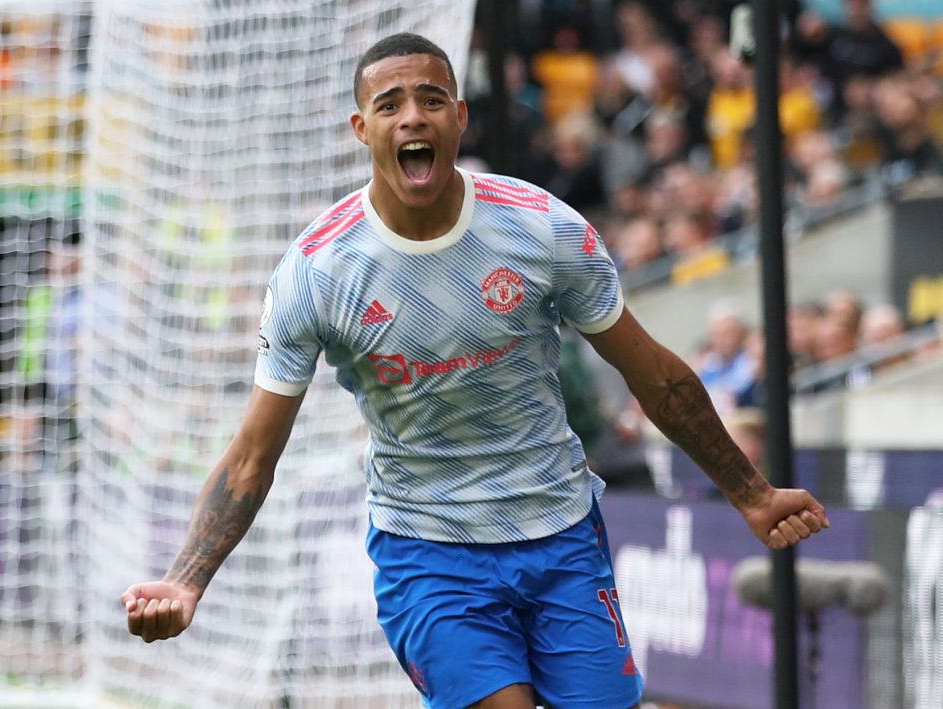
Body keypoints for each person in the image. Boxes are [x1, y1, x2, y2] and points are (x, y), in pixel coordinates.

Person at [121, 33, 830, 709]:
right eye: (389, 104)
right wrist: (186, 582)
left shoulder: (542, 229)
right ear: (361, 128)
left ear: (459, 117)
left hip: (560, 530)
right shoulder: (318, 270)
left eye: (430, 99)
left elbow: (658, 378)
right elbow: (252, 457)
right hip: (429, 549)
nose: (411, 116)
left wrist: (752, 492)